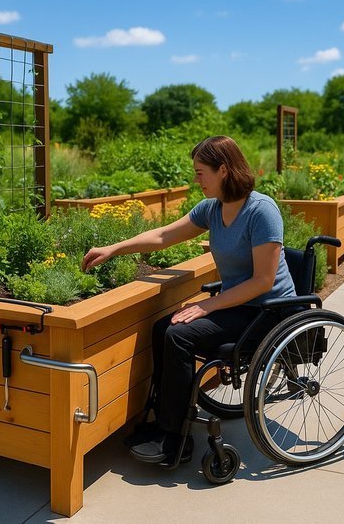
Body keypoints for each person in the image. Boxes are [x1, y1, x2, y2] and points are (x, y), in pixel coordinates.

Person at [81, 135, 295, 464]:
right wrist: (114, 248)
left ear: (223, 170)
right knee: (162, 327)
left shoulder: (261, 211)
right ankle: (162, 421)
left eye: (200, 172)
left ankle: (175, 440)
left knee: (179, 335)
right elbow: (164, 235)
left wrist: (206, 304)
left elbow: (263, 281)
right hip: (237, 306)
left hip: (268, 311)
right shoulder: (212, 210)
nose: (195, 180)